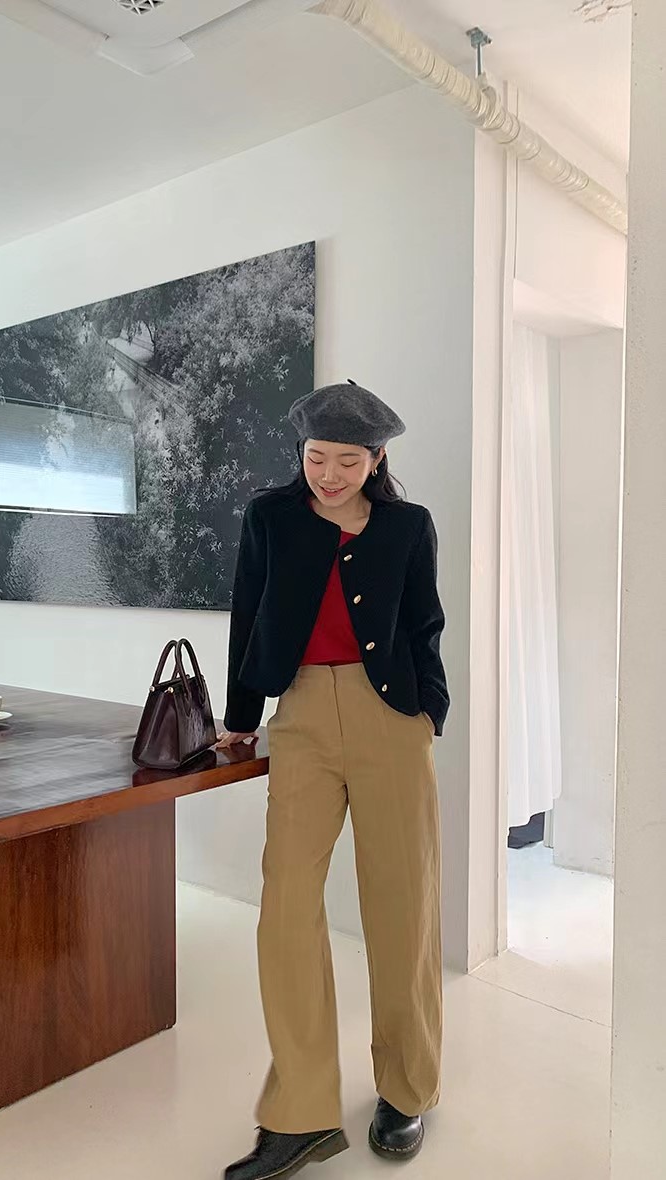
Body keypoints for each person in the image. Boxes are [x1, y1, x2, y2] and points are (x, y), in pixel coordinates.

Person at [216, 380, 448, 1179]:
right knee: (285, 906)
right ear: (302, 452)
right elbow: (247, 611)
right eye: (318, 458)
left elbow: (424, 623)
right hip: (304, 715)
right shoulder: (271, 517)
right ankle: (300, 1113)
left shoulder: (408, 526)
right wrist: (240, 713)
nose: (330, 475)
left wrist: (430, 711)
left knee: (402, 907)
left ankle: (406, 1091)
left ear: (376, 459)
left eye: (348, 461)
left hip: (392, 721)